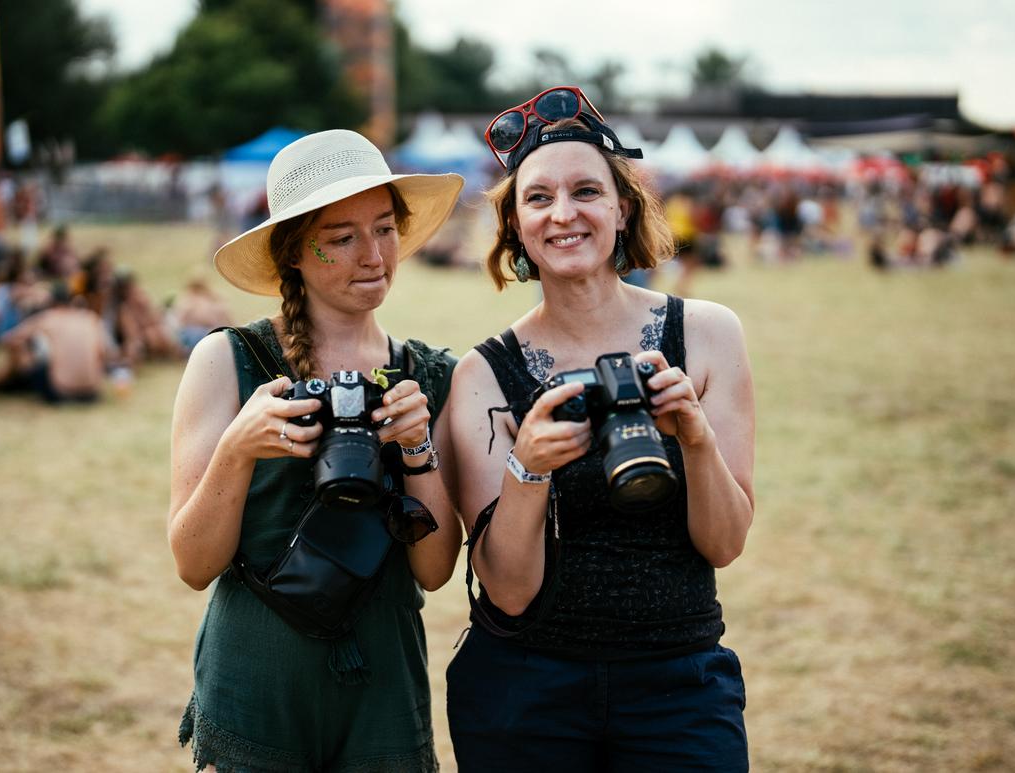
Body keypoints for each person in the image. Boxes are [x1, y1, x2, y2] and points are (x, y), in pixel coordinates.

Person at [446, 87, 755, 771]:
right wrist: (528, 466)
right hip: (524, 693)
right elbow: (508, 590)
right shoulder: (483, 378)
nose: (564, 214)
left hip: (680, 685)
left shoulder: (704, 335)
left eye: (586, 190)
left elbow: (725, 542)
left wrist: (694, 438)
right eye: (537, 198)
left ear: (623, 206)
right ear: (514, 226)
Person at [170, 129, 464, 772]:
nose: (374, 255)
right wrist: (236, 451)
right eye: (341, 238)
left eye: (385, 228)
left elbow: (435, 572)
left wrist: (417, 449)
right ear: (293, 253)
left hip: (384, 680)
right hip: (255, 677)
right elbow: (194, 564)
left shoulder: (430, 375)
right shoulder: (230, 360)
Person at [0, 281, 109, 404]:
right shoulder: (90, 318)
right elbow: (103, 353)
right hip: (92, 393)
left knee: (19, 348)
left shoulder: (48, 317)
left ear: (51, 302)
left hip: (60, 391)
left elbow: (9, 339)